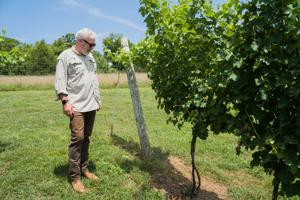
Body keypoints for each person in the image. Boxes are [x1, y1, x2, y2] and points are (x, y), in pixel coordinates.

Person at [54, 28, 101, 193]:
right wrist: (65, 102)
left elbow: (94, 79)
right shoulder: (65, 56)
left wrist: (97, 100)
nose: (93, 47)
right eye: (91, 44)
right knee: (78, 138)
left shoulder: (90, 57)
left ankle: (84, 169)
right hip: (76, 106)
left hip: (91, 105)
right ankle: (75, 177)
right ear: (80, 41)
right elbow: (60, 81)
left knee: (86, 137)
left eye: (94, 44)